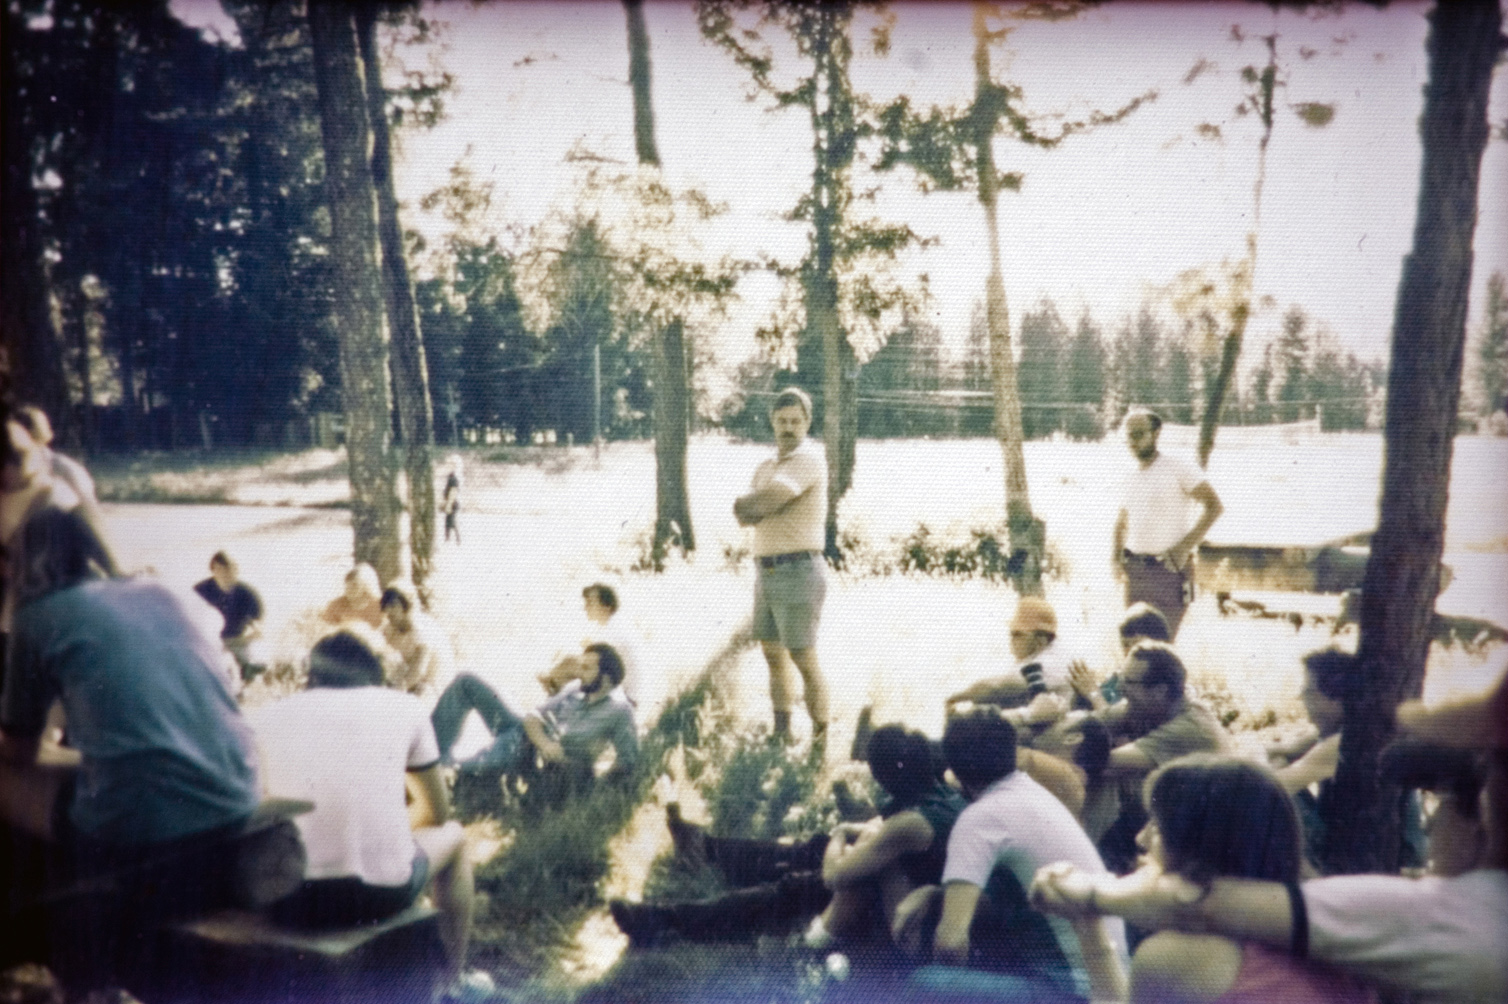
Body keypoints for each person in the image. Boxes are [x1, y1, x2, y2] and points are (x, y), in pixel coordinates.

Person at [1030, 671, 1508, 1004]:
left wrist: (1087, 896)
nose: (1433, 819)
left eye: (1460, 791)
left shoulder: (1454, 916)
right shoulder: (1359, 942)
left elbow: (1197, 902)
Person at [1, 509, 260, 918]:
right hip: (239, 794)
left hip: (145, 828)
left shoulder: (37, 617)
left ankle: (32, 914)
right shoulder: (162, 591)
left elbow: (18, 751)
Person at [247, 629, 494, 1001]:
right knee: (455, 837)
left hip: (285, 899)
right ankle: (451, 985)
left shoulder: (265, 717)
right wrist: (384, 838)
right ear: (374, 673)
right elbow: (437, 812)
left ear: (311, 675)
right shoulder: (404, 707)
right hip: (375, 896)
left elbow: (258, 809)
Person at [607, 724, 967, 949]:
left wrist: (842, 833)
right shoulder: (941, 790)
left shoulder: (912, 823)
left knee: (797, 886)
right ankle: (708, 849)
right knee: (810, 849)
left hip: (900, 906)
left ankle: (665, 922)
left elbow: (834, 875)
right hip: (908, 882)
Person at [891, 710, 1128, 1003]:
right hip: (1113, 979)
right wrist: (935, 895)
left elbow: (951, 944)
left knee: (925, 984)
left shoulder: (979, 818)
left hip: (1073, 992)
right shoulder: (1035, 793)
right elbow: (1015, 898)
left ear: (953, 770)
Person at [1118, 755, 1374, 1003]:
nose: (1140, 838)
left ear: (1202, 848)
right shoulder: (1337, 929)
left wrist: (1091, 933)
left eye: (1158, 827)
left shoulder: (1171, 958)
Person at [733, 387, 829, 744]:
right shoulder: (765, 466)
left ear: (807, 423)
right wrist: (755, 505)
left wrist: (756, 504)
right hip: (767, 570)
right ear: (772, 422)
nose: (788, 428)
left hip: (799, 569)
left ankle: (820, 737)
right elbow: (750, 514)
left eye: (795, 421)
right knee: (772, 654)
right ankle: (782, 732)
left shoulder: (809, 459)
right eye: (782, 420)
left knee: (803, 656)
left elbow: (768, 500)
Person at [429, 644, 637, 808]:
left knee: (456, 772)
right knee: (466, 681)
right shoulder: (577, 688)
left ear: (607, 677)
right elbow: (533, 717)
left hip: (529, 755)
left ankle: (434, 773)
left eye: (586, 668)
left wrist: (590, 782)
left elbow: (627, 762)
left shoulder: (619, 711)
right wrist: (546, 744)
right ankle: (427, 754)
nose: (579, 672)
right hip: (527, 734)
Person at [1092, 641, 1233, 873]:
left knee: (1103, 778)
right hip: (1172, 818)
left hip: (1209, 839)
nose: (1119, 688)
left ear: (1159, 690)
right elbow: (1091, 723)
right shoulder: (1146, 705)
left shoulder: (1191, 727)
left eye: (1128, 682)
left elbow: (1106, 762)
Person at [1111, 409, 1223, 638]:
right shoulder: (1129, 475)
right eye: (1128, 435)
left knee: (1160, 647)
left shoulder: (1178, 467)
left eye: (1139, 434)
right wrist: (1115, 557)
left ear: (1156, 433)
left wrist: (1184, 548)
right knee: (1132, 646)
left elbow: (1214, 507)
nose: (1132, 441)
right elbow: (1122, 522)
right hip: (1135, 572)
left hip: (1169, 570)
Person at [946, 597, 1076, 718]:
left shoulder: (1054, 660)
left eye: (1017, 635)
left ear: (1040, 640)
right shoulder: (1035, 655)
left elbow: (995, 687)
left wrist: (957, 697)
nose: (1011, 640)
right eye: (1011, 634)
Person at [537, 583, 644, 708]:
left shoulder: (616, 630)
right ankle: (553, 690)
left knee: (571, 663)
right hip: (615, 687)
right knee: (571, 665)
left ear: (606, 607)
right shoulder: (606, 628)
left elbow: (597, 664)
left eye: (590, 603)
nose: (585, 608)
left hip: (624, 697)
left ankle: (552, 687)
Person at [1069, 602, 1172, 715]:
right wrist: (1082, 692)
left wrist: (1093, 694)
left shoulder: (1165, 688)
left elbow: (1124, 727)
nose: (1129, 653)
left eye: (1137, 645)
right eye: (1126, 645)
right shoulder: (1118, 680)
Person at [193, 551, 266, 682]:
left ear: (236, 569)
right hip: (209, 643)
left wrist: (252, 633)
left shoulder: (247, 593)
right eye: (220, 569)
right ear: (213, 570)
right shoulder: (200, 591)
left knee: (250, 662)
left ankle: (247, 678)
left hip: (238, 641)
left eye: (229, 568)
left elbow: (258, 624)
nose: (225, 572)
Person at [380, 582, 454, 697]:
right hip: (411, 683)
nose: (388, 611)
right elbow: (379, 654)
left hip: (433, 687)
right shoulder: (391, 628)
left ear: (406, 605)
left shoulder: (422, 630)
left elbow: (418, 671)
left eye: (393, 605)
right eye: (386, 606)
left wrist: (393, 692)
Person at [320, 563, 384, 629]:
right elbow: (326, 632)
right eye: (347, 586)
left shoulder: (379, 606)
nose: (350, 590)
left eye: (354, 585)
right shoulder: (336, 606)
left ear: (365, 586)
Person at [442, 457, 462, 546]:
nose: (447, 467)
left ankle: (456, 540)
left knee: (451, 522)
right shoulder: (450, 477)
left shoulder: (453, 478)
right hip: (451, 502)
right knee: (448, 522)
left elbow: (453, 491)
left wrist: (449, 504)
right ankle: (449, 539)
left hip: (453, 503)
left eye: (449, 465)